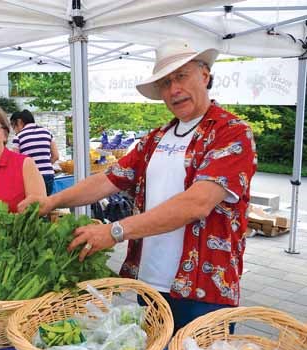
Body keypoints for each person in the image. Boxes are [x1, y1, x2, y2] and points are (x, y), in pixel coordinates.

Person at [19, 40, 257, 333]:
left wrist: (114, 230)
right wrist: (51, 202)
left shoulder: (231, 133)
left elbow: (197, 202)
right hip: (151, 282)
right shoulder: (157, 137)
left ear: (204, 76)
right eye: (166, 83)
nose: (173, 89)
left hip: (203, 289)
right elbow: (107, 180)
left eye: (181, 76)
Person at [10, 109, 60, 195]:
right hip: (48, 175)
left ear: (19, 122)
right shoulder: (47, 133)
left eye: (14, 126)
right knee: (46, 204)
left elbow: (15, 162)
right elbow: (56, 156)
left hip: (30, 178)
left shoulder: (18, 137)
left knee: (33, 206)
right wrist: (45, 165)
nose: (14, 130)